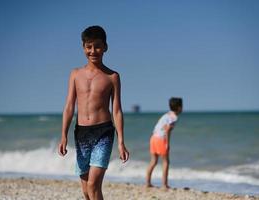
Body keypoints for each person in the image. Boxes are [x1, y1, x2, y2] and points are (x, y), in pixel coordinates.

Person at [58, 25, 129, 200]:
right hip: (81, 133)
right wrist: (63, 135)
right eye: (88, 46)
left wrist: (121, 141)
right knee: (86, 191)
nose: (93, 51)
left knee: (93, 185)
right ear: (83, 47)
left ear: (105, 47)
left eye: (97, 46)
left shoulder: (112, 76)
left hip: (103, 132)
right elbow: (69, 106)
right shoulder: (75, 74)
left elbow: (117, 110)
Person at [146, 97, 183, 189]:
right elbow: (167, 130)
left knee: (153, 161)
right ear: (179, 108)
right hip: (161, 139)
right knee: (166, 162)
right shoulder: (174, 117)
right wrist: (167, 143)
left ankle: (147, 182)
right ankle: (164, 184)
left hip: (153, 138)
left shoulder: (166, 114)